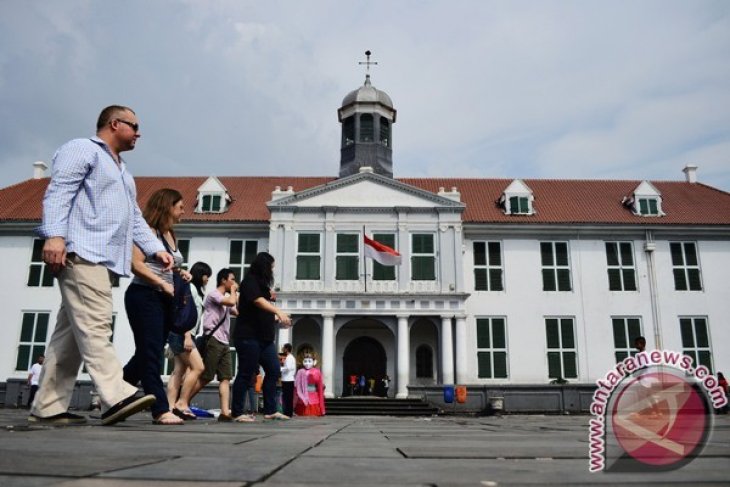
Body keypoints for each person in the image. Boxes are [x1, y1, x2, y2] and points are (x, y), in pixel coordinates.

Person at [32, 105, 172, 426]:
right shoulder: (83, 150)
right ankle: (116, 394)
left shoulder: (123, 172)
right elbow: (59, 192)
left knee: (69, 337)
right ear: (114, 123)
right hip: (82, 252)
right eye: (134, 126)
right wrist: (54, 235)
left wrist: (154, 249)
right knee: (96, 324)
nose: (139, 133)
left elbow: (134, 218)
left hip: (103, 259)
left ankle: (48, 407)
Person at [122, 188, 189, 425]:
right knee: (151, 353)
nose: (183, 211)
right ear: (168, 206)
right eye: (180, 206)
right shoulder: (148, 233)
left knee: (146, 352)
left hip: (163, 298)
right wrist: (162, 283)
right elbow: (135, 264)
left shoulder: (170, 234)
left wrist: (180, 274)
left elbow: (167, 266)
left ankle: (115, 395)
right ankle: (160, 409)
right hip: (144, 295)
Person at [231, 252, 292, 421]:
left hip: (265, 339)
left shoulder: (263, 286)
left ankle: (271, 410)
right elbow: (257, 301)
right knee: (246, 372)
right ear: (264, 267)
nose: (272, 271)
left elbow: (262, 311)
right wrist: (278, 311)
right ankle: (237, 412)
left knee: (273, 370)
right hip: (248, 336)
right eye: (271, 267)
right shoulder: (250, 281)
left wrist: (280, 319)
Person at [184, 268, 238, 421]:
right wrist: (234, 292)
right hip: (213, 339)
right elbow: (231, 301)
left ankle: (225, 412)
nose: (234, 282)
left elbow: (236, 310)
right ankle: (183, 402)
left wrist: (238, 294)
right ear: (223, 280)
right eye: (232, 279)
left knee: (226, 377)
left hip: (224, 342)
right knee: (206, 376)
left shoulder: (227, 298)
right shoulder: (214, 295)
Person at [166, 261, 210, 417]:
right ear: (200, 274)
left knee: (178, 371)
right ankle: (182, 403)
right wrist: (187, 336)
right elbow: (185, 312)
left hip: (179, 333)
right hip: (184, 334)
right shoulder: (190, 288)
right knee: (198, 367)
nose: (207, 279)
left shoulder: (191, 288)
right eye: (206, 276)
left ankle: (170, 407)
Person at [280, 343, 296, 417]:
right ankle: (287, 412)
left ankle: (288, 413)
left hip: (288, 379)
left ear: (286, 349)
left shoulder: (289, 357)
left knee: (287, 397)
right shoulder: (289, 357)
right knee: (287, 397)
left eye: (283, 348)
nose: (283, 349)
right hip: (287, 379)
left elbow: (288, 368)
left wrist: (280, 369)